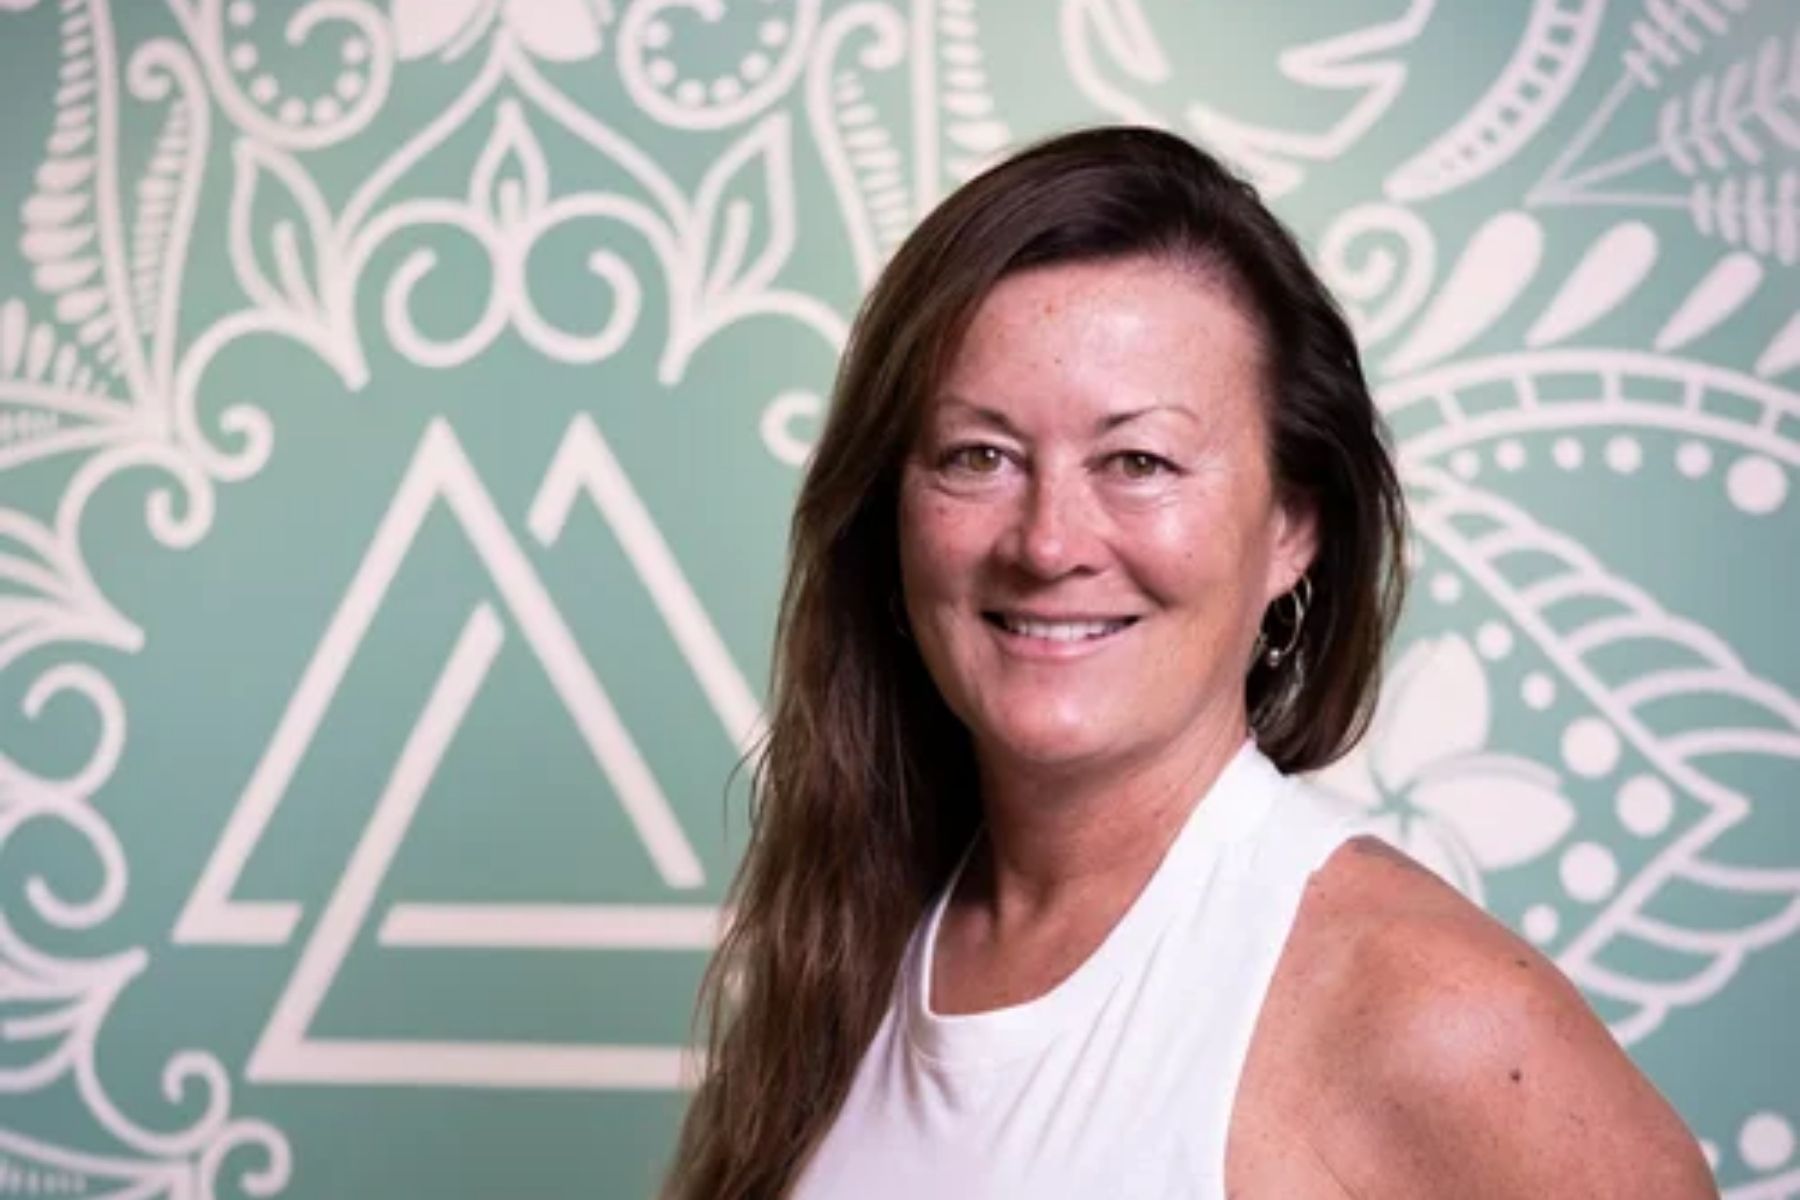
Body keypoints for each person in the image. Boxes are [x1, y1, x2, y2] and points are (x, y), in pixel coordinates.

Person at [662, 126, 1716, 1199]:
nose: (1048, 541)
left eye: (1139, 460)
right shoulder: (855, 941)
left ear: (1291, 528)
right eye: (979, 455)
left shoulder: (1427, 1010)